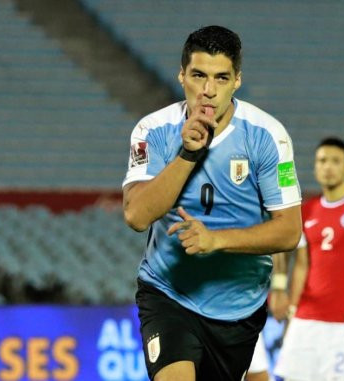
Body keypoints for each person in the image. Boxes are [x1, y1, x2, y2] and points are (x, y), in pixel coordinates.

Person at [122, 25, 302, 381]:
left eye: (221, 78)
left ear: (237, 81)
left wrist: (217, 240)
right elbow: (136, 215)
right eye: (199, 75)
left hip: (238, 309)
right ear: (182, 75)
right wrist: (188, 154)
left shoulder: (268, 137)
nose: (208, 90)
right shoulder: (152, 131)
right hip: (168, 294)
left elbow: (289, 231)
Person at [271, 137, 344, 381]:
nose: (327, 167)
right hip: (305, 319)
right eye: (322, 161)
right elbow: (302, 265)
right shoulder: (307, 211)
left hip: (343, 323)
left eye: (335, 161)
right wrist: (287, 303)